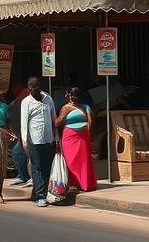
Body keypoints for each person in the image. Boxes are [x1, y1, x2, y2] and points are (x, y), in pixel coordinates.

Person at [20, 76, 57, 207]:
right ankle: (40, 194)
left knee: (47, 165)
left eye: (38, 87)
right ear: (29, 88)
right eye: (34, 87)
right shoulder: (26, 102)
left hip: (48, 138)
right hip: (34, 139)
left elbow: (54, 118)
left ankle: (46, 191)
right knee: (37, 166)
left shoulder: (47, 98)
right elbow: (24, 123)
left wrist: (56, 137)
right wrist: (24, 140)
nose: (37, 90)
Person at [53, 86, 96, 192]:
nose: (73, 97)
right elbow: (57, 123)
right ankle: (74, 183)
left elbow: (90, 122)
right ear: (68, 96)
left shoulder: (85, 107)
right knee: (71, 161)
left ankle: (85, 184)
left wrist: (87, 135)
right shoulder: (65, 108)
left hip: (83, 137)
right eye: (72, 94)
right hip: (70, 137)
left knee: (84, 161)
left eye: (75, 95)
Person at [7, 83, 31, 187]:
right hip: (21, 135)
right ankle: (23, 176)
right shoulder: (16, 104)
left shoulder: (29, 104)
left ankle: (27, 176)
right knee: (17, 152)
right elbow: (10, 121)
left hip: (31, 135)